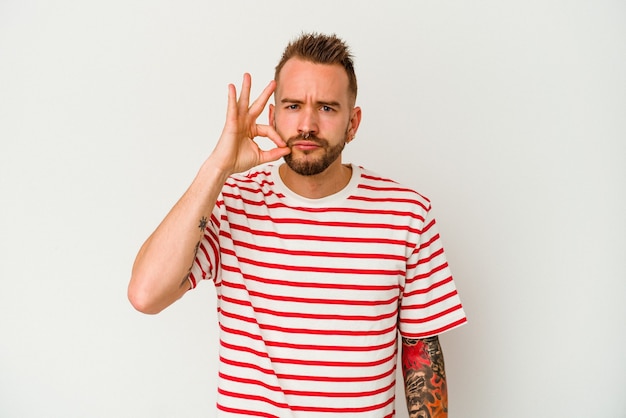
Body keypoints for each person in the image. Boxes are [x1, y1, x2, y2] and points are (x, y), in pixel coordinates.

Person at [129, 32, 466, 418]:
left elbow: (420, 353)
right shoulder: (230, 201)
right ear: (272, 117)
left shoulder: (407, 213)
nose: (307, 124)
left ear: (352, 123)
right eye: (293, 105)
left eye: (326, 108)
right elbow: (145, 295)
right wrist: (217, 168)